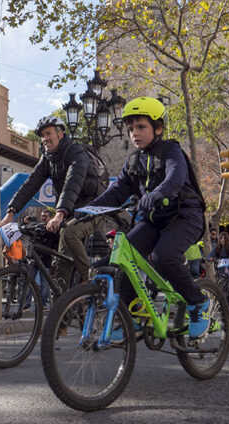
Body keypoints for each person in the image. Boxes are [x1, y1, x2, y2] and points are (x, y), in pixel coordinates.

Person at [86, 97, 211, 339]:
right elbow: (116, 192)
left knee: (164, 257)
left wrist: (156, 193)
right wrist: (86, 209)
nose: (135, 133)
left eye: (141, 127)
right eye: (131, 128)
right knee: (124, 257)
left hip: (185, 216)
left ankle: (198, 304)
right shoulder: (133, 161)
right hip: (155, 220)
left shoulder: (170, 150)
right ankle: (133, 316)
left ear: (158, 128)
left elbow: (175, 178)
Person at [0, 115, 110, 292]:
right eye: (42, 135)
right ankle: (64, 313)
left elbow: (72, 184)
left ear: (60, 134)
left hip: (93, 208)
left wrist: (59, 213)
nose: (44, 139)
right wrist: (10, 213)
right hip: (71, 213)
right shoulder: (48, 158)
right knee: (62, 268)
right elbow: (30, 184)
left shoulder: (76, 152)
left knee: (69, 233)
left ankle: (90, 279)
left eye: (48, 133)